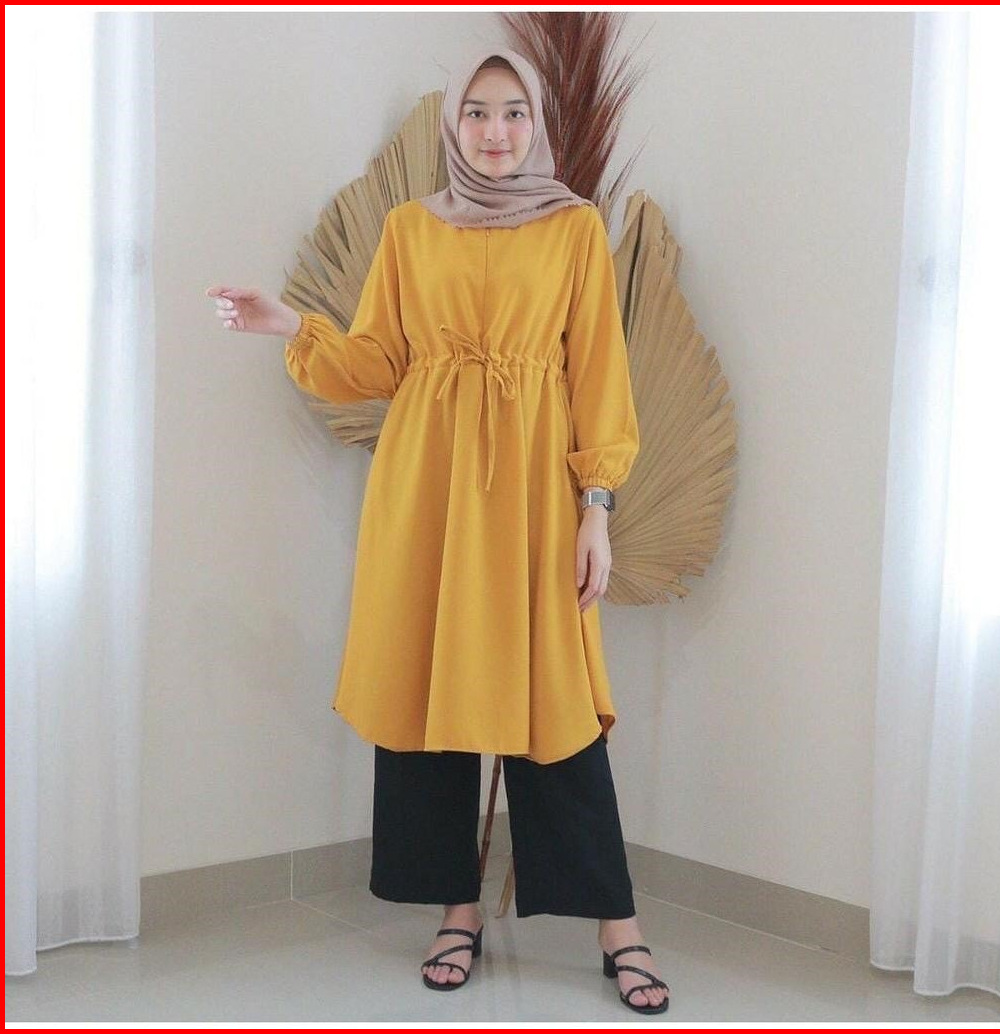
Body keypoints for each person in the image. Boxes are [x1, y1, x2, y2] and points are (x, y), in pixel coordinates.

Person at [206, 46, 670, 1016]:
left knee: (556, 706)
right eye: (477, 113)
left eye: (513, 113)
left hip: (536, 495)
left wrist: (597, 508)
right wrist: (292, 325)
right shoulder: (411, 229)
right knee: (432, 692)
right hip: (426, 491)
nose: (496, 132)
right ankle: (456, 908)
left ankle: (617, 927)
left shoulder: (574, 229)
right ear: (454, 125)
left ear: (535, 124)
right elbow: (376, 362)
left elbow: (599, 375)